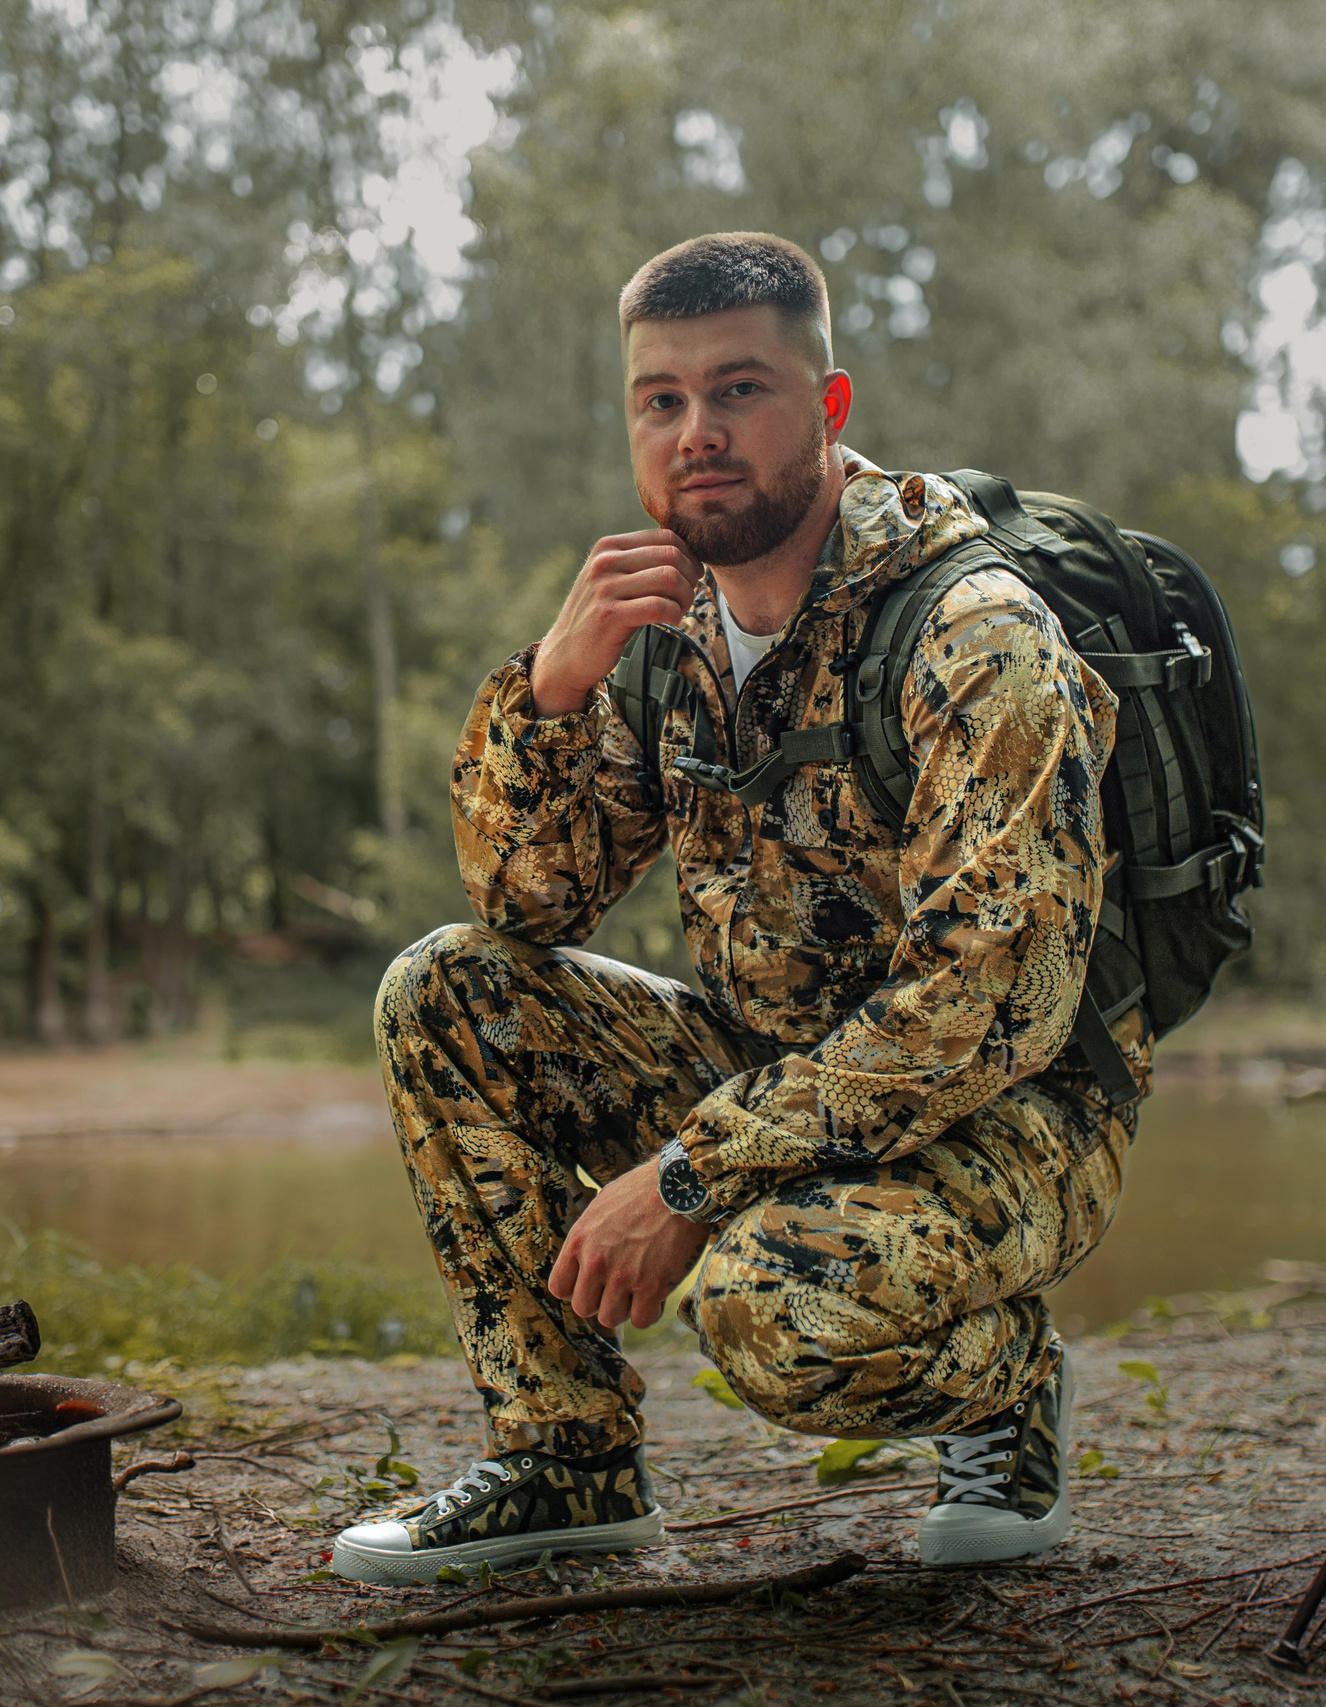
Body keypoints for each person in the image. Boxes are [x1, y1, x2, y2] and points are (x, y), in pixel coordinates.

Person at [331, 232, 1148, 1584]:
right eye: (662, 401)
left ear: (828, 408)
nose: (696, 432)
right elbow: (526, 904)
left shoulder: (975, 635)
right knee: (442, 993)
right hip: (774, 1074)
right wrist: (550, 689)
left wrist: (690, 1177)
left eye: (740, 390)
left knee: (772, 1310)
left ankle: (1004, 1385)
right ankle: (564, 1461)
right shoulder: (669, 632)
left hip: (1014, 1114)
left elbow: (979, 1012)